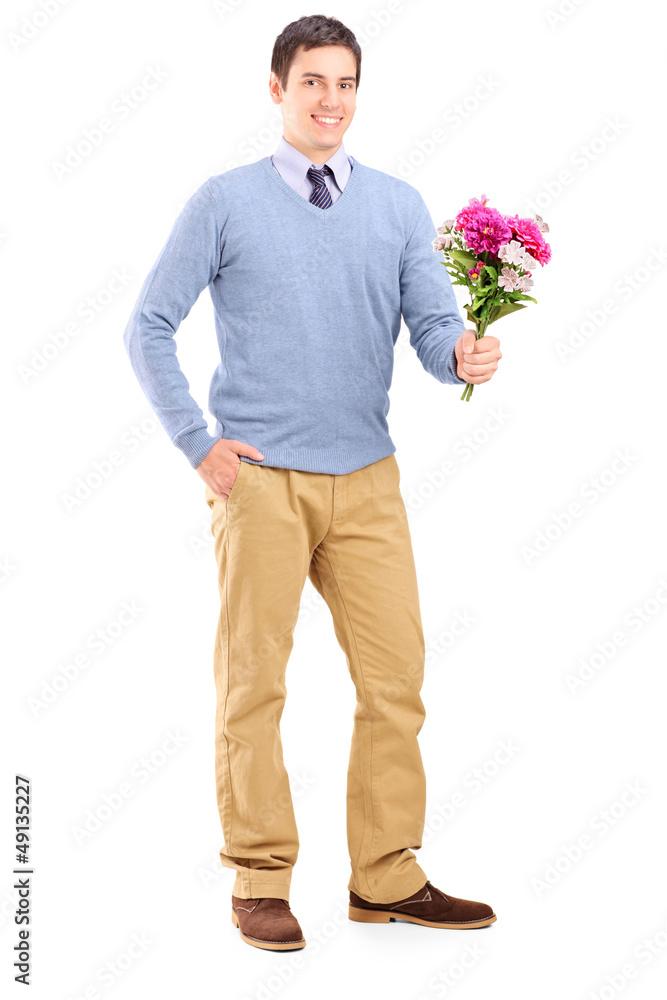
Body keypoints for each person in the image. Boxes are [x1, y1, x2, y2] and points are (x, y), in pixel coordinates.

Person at [123, 14, 502, 952]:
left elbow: (430, 331)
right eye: (312, 82)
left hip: (366, 478)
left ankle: (386, 876)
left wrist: (461, 353)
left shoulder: (398, 206)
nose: (330, 101)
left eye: (345, 83)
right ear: (276, 90)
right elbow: (148, 326)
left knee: (396, 679)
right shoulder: (224, 201)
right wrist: (199, 445)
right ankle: (259, 879)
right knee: (254, 683)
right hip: (260, 482)